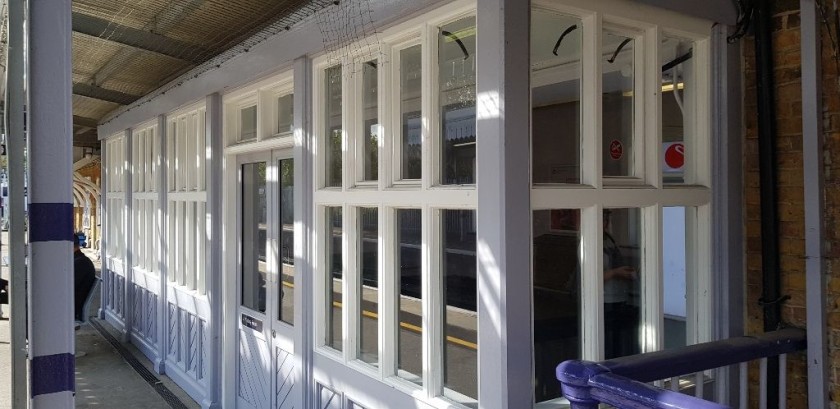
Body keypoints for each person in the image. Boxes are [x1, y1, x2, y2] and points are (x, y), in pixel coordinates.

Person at [602, 209, 640, 359]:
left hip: (619, 298)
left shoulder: (609, 240)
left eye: (607, 220)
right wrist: (616, 273)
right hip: (605, 300)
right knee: (607, 343)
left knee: (618, 341)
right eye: (603, 220)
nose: (606, 224)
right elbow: (590, 278)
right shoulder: (589, 243)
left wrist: (626, 272)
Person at [74, 233, 96, 322]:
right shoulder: (79, 260)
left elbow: (68, 286)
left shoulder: (81, 263)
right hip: (74, 302)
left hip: (74, 306)